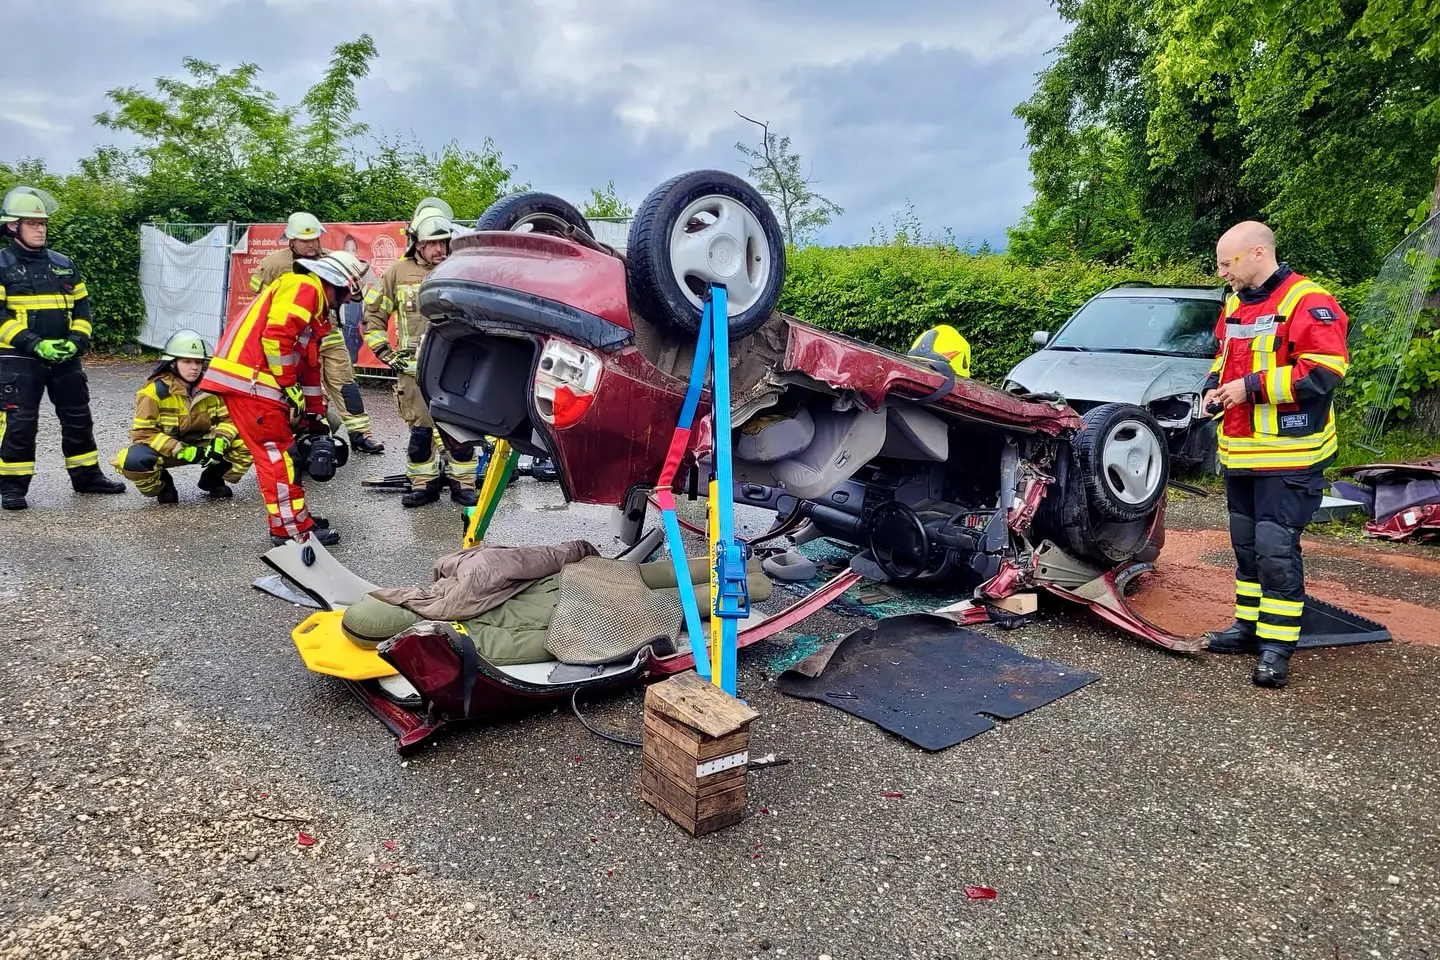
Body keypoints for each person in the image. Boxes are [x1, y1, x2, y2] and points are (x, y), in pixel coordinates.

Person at [1201, 220, 1350, 689]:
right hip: (1240, 451)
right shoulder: (1234, 303)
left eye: (1227, 263)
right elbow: (1222, 357)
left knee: (1275, 550)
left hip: (1289, 454)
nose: (1222, 272)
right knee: (1246, 547)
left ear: (1258, 254)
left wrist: (1249, 388)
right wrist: (1212, 389)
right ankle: (1248, 628)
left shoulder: (1308, 301)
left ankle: (1277, 647)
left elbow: (1324, 372)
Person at [202, 250, 370, 546]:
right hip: (253, 384)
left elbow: (309, 368)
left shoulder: (313, 305)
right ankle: (291, 531)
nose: (347, 302)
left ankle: (294, 521)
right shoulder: (305, 287)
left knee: (283, 457)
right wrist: (288, 384)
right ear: (339, 283)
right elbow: (276, 337)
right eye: (348, 295)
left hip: (255, 384)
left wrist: (315, 417)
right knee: (279, 458)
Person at [0, 185, 126, 510]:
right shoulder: (2, 265)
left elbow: (83, 309)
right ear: (13, 226)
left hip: (65, 357)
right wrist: (34, 343)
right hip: (18, 358)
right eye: (32, 223)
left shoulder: (64, 263)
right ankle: (12, 487)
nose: (40, 229)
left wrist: (76, 342)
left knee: (78, 417)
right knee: (20, 424)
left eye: (42, 223)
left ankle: (87, 477)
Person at [363, 199, 480, 508]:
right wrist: (384, 352)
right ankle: (423, 485)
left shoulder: (460, 269)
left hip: (456, 366)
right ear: (417, 243)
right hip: (413, 370)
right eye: (431, 243)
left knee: (460, 430)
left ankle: (464, 485)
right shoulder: (397, 273)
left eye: (443, 242)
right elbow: (373, 314)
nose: (439, 249)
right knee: (421, 434)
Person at [250, 212, 385, 455]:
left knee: (346, 384)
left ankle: (361, 434)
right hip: (295, 342)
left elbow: (361, 290)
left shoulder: (332, 260)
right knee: (306, 391)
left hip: (329, 335)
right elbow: (260, 303)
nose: (312, 245)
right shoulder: (273, 264)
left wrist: (356, 292)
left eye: (315, 239)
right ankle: (309, 436)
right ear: (291, 240)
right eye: (305, 240)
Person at [113, 328, 252, 503]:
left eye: (198, 362)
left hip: (202, 445)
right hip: (167, 451)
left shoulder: (212, 389)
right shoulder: (153, 393)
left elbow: (229, 419)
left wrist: (220, 441)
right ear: (172, 363)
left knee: (251, 440)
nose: (194, 367)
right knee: (132, 460)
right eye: (187, 361)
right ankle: (164, 485)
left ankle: (213, 478)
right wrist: (181, 450)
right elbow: (143, 433)